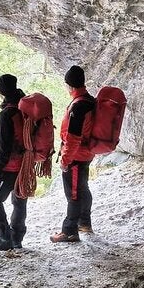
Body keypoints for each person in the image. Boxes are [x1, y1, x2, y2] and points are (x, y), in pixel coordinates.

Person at [0, 74, 28, 251]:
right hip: (26, 164)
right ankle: (17, 238)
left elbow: (4, 149)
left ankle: (4, 237)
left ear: (1, 91)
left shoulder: (7, 114)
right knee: (19, 201)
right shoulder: (25, 108)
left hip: (11, 166)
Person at [51, 65, 95, 243]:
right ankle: (84, 223)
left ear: (69, 85)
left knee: (74, 194)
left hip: (76, 156)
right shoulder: (89, 100)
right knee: (82, 188)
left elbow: (73, 137)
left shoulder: (78, 106)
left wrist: (65, 159)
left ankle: (69, 231)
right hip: (86, 153)